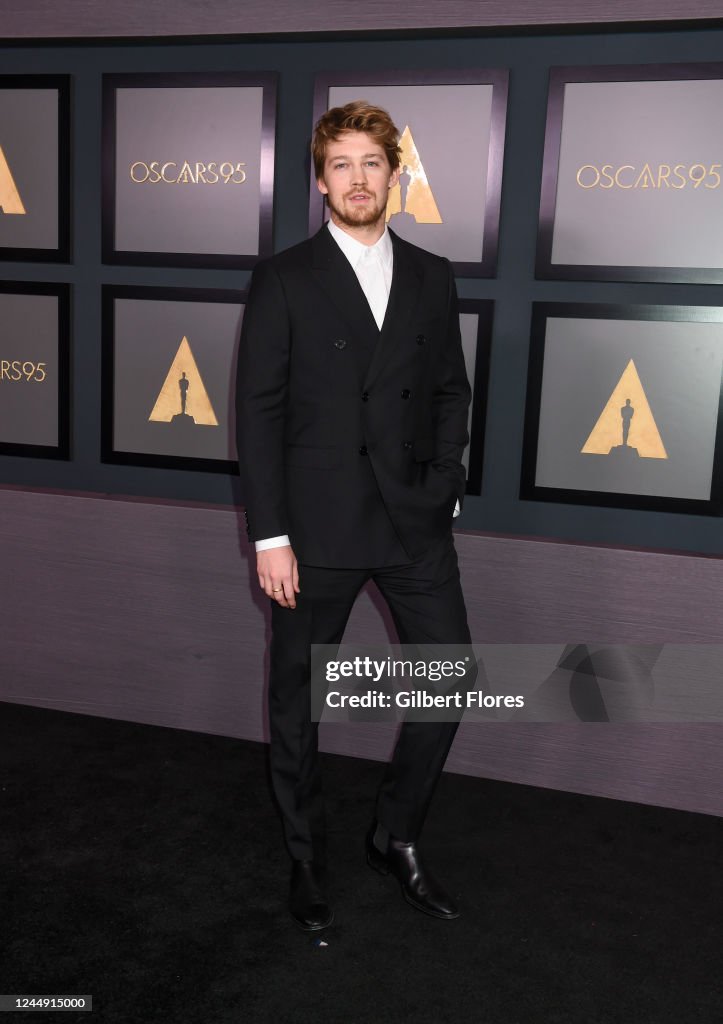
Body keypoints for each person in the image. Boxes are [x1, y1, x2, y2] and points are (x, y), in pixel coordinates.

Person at [236, 101, 473, 931]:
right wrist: (270, 535)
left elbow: (449, 392)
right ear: (320, 180)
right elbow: (259, 413)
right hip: (314, 529)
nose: (357, 179)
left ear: (394, 174)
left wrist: (444, 487)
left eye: (372, 162)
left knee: (450, 678)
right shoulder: (284, 277)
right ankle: (306, 856)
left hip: (413, 523)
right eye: (341, 164)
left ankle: (395, 834)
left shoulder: (433, 274)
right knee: (298, 699)